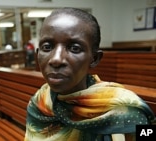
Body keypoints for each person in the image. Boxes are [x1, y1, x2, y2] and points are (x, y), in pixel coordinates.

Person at [24, 7, 155, 141]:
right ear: (37, 54)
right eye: (47, 47)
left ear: (95, 59)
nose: (56, 59)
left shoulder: (126, 110)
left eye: (74, 48)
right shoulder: (39, 102)